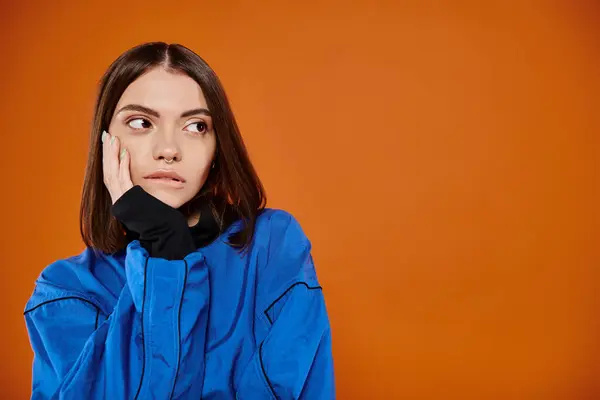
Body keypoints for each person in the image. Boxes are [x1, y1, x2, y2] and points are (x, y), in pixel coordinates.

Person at [23, 42, 334, 399]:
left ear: (217, 149)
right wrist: (164, 248)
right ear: (105, 142)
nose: (169, 148)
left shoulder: (273, 247)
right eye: (141, 123)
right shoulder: (66, 292)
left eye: (196, 126)